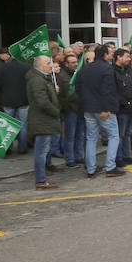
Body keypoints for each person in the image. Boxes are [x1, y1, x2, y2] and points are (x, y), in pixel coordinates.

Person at [76, 45, 125, 178]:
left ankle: (91, 169)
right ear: (105, 55)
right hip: (103, 109)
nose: (112, 54)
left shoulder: (84, 70)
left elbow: (78, 90)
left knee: (91, 138)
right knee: (114, 136)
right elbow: (108, 91)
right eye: (110, 53)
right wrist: (106, 109)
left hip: (88, 109)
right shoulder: (107, 69)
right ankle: (110, 167)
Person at [26, 55, 63, 189]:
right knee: (41, 151)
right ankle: (40, 180)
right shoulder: (37, 80)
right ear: (40, 65)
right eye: (48, 63)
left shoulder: (42, 78)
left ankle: (42, 178)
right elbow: (42, 101)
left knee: (43, 150)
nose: (51, 66)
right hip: (42, 120)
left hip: (44, 120)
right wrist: (55, 111)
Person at [113, 49, 132, 166]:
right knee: (120, 134)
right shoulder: (113, 72)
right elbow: (115, 91)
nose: (129, 59)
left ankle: (126, 155)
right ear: (119, 57)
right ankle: (118, 157)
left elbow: (131, 87)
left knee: (127, 134)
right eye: (126, 57)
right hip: (122, 108)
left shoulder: (129, 70)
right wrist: (124, 103)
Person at [57, 52, 83, 166]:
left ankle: (79, 156)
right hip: (69, 110)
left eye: (76, 62)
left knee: (79, 135)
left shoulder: (78, 73)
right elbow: (62, 95)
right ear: (66, 64)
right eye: (72, 62)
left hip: (79, 108)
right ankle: (70, 159)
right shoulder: (62, 76)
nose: (75, 64)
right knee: (70, 135)